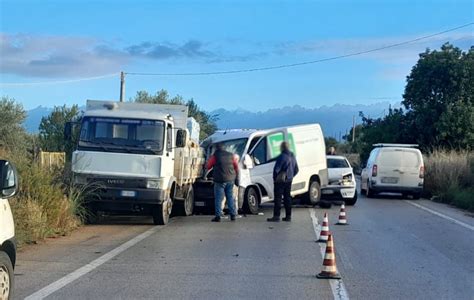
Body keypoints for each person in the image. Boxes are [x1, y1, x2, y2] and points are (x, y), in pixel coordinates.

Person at [206, 143, 239, 222]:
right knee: (230, 197)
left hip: (219, 180)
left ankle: (218, 216)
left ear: (217, 148)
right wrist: (236, 177)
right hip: (230, 179)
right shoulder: (231, 155)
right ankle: (233, 215)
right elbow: (236, 166)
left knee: (218, 198)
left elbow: (208, 166)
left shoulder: (215, 156)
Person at [267, 142, 299, 222]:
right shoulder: (292, 156)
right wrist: (291, 176)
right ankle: (288, 216)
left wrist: (275, 178)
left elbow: (277, 169)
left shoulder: (282, 157)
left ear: (282, 147)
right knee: (287, 198)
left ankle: (276, 216)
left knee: (278, 198)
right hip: (289, 180)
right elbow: (296, 169)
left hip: (280, 181)